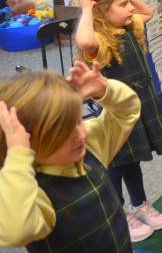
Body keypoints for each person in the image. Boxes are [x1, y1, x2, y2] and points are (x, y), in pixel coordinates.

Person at [0, 62, 141, 251]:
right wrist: (17, 156)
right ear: (26, 142)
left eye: (78, 121)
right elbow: (16, 232)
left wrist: (104, 91)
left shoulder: (88, 146)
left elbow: (127, 112)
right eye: (64, 132)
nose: (81, 134)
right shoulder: (31, 191)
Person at [74, 0, 162, 242]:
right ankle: (117, 212)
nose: (131, 8)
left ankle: (138, 204)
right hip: (115, 113)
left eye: (129, 2)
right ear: (102, 10)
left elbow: (148, 11)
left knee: (132, 160)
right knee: (117, 163)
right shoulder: (100, 41)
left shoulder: (127, 27)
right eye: (123, 4)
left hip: (138, 104)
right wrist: (86, 8)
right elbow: (84, 43)